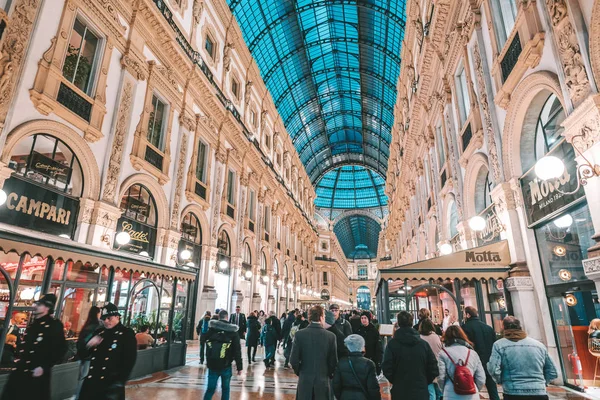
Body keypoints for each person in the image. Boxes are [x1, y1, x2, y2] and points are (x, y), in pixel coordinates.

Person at [1, 294, 66, 400]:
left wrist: (44, 366)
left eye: (39, 304)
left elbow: (61, 349)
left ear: (46, 307)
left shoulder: (54, 325)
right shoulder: (34, 324)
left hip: (37, 374)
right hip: (22, 371)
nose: (35, 306)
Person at [487, 316, 557, 400]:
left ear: (503, 328)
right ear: (520, 327)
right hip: (539, 392)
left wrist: (501, 381)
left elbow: (494, 369)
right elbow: (553, 371)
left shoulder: (499, 345)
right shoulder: (539, 345)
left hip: (513, 392)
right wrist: (541, 383)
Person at [78, 303, 137, 400]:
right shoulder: (99, 333)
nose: (106, 321)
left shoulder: (126, 334)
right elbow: (82, 354)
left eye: (109, 318)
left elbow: (129, 361)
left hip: (111, 385)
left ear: (117, 317)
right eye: (103, 319)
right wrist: (89, 345)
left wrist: (119, 383)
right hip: (92, 384)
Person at [382, 311, 439, 400]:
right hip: (420, 389)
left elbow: (386, 367)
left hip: (400, 390)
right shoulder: (423, 344)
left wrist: (396, 380)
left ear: (398, 323)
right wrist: (424, 381)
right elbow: (433, 367)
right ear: (412, 322)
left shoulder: (392, 345)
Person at [290, 305, 338, 400]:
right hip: (323, 380)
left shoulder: (299, 334)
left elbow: (293, 360)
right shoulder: (331, 336)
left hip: (305, 380)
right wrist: (328, 374)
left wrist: (301, 372)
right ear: (321, 317)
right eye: (324, 317)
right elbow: (333, 362)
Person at [201, 309, 243, 400]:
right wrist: (239, 367)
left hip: (212, 364)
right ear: (227, 317)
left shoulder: (212, 329)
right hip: (226, 364)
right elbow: (237, 351)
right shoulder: (233, 332)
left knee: (210, 389)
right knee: (225, 389)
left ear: (218, 317)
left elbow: (203, 339)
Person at [461, 306, 500, 400]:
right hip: (488, 361)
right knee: (492, 389)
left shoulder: (465, 328)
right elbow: (494, 345)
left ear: (468, 314)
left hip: (473, 362)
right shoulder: (488, 328)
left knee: (472, 388)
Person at [438, 325, 485, 400]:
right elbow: (481, 378)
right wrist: (474, 388)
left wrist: (444, 389)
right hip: (472, 394)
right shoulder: (472, 353)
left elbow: (441, 377)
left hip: (451, 393)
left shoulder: (443, 353)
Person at [333, 334, 381, 400]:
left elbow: (336, 384)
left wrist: (340, 396)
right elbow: (372, 387)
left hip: (345, 396)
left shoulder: (341, 362)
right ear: (362, 346)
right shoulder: (368, 364)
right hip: (362, 396)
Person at [75, 305, 102, 399]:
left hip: (82, 355)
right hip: (89, 357)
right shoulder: (98, 326)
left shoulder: (87, 325)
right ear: (98, 314)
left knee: (81, 377)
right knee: (85, 378)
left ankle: (78, 396)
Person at [419, 319, 442, 400]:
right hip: (438, 365)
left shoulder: (420, 338)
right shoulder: (438, 337)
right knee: (439, 390)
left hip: (426, 367)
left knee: (430, 390)